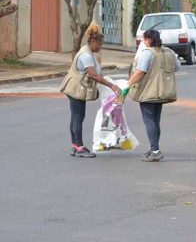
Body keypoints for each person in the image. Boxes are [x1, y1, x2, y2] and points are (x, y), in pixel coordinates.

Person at [60, 25, 121, 158]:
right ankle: (80, 148)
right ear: (93, 42)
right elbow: (93, 75)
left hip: (75, 87)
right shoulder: (86, 55)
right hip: (76, 88)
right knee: (78, 117)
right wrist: (111, 85)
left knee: (76, 117)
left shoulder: (88, 52)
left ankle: (75, 146)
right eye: (99, 44)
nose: (100, 47)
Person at [127, 29, 180, 162]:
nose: (143, 42)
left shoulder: (147, 53)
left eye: (144, 39)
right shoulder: (169, 52)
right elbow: (177, 67)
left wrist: (127, 85)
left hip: (148, 92)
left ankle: (155, 150)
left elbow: (140, 72)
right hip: (162, 92)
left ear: (148, 39)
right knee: (155, 121)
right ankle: (154, 148)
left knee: (149, 121)